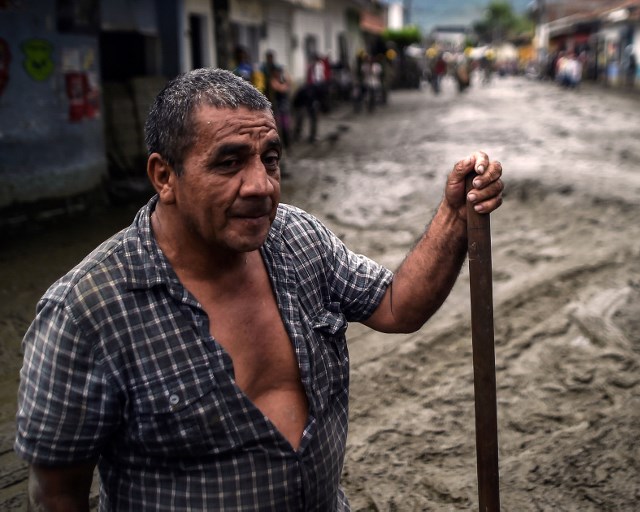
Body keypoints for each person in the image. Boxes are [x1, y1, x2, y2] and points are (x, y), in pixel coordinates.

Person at [15, 67, 504, 511]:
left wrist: (453, 216)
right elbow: (57, 492)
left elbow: (397, 306)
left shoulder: (299, 239)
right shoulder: (85, 311)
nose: (260, 186)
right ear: (165, 176)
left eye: (269, 159)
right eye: (229, 163)